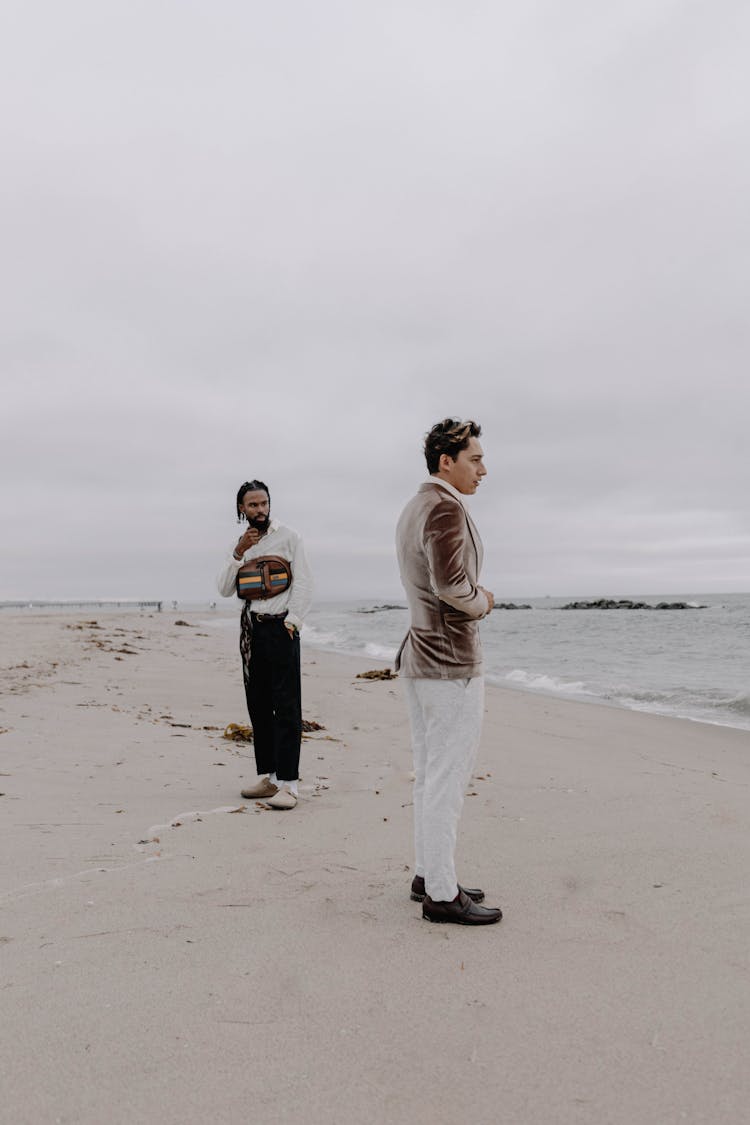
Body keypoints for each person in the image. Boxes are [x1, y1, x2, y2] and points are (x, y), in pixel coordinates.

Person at [395, 419, 502, 925]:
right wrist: (485, 602)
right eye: (474, 458)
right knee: (447, 777)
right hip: (449, 661)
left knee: (429, 774)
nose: (483, 468)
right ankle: (440, 893)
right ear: (446, 461)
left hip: (420, 656)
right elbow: (452, 587)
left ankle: (428, 874)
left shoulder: (416, 505)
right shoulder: (442, 507)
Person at [217, 480, 312, 810]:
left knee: (286, 708)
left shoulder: (289, 537)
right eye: (253, 505)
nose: (260, 509)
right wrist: (238, 552)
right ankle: (270, 779)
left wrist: (293, 621)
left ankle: (290, 784)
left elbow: (304, 582)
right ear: (241, 509)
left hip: (281, 629)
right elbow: (224, 589)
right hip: (252, 632)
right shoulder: (243, 544)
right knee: (258, 705)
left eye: (264, 503)